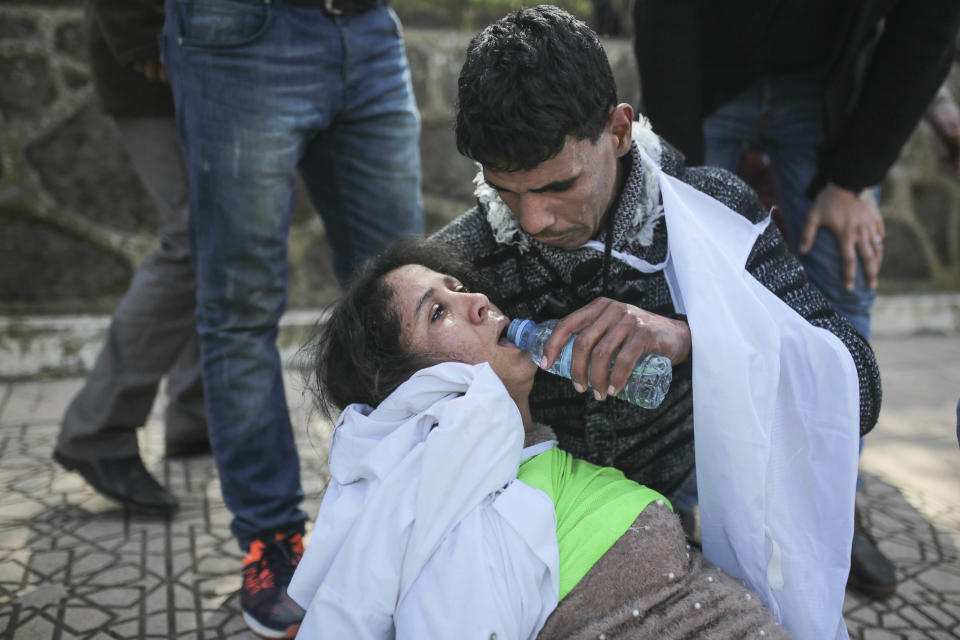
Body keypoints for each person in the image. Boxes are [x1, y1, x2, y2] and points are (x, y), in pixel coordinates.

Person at [434, 7, 880, 637]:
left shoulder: (711, 211)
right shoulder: (463, 265)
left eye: (559, 186)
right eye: (507, 191)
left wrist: (697, 337)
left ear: (618, 130)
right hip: (523, 552)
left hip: (684, 537)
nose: (534, 221)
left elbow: (857, 387)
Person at [288, 237, 792, 640]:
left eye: (457, 286)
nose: (478, 302)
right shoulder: (469, 516)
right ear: (411, 387)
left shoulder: (525, 462)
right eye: (437, 312)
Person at [632, 0, 960, 599]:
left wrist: (852, 179)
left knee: (848, 271)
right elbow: (664, 17)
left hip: (828, 86)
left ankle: (836, 506)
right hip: (703, 68)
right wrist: (688, 202)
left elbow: (931, 26)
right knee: (673, 276)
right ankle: (672, 504)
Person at [159, 0, 424, 635]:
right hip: (239, 33)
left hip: (367, 26)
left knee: (405, 291)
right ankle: (271, 540)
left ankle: (412, 512)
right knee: (241, 308)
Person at [54, 0, 207, 516]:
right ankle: (98, 430)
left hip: (208, 52)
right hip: (154, 49)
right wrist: (140, 31)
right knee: (192, 235)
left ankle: (194, 413)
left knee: (217, 233)